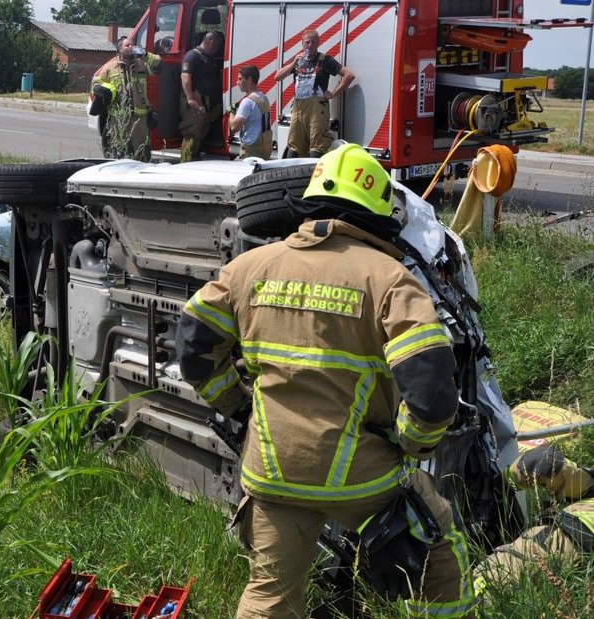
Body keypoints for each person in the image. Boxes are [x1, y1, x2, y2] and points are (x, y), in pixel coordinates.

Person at [175, 143, 476, 618]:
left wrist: (237, 405)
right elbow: (432, 389)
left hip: (273, 471)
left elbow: (192, 348)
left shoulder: (247, 269)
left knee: (268, 594)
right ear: (378, 211)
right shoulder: (391, 280)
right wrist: (412, 445)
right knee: (441, 554)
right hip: (363, 480)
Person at [475, 444, 594, 592]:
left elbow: (545, 461)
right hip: (561, 534)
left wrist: (500, 485)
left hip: (569, 538)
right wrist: (501, 485)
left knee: (483, 588)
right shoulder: (586, 483)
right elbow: (545, 462)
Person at [274, 28, 355, 158]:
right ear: (302, 43)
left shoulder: (325, 59)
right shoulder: (298, 61)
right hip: (298, 108)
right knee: (294, 145)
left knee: (317, 145)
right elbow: (277, 77)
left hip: (317, 110)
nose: (310, 45)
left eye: (313, 42)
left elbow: (349, 75)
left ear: (318, 43)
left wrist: (333, 94)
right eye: (307, 42)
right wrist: (294, 63)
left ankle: (315, 175)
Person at [90, 36, 161, 162]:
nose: (130, 47)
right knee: (117, 151)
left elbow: (158, 65)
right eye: (126, 45)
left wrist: (145, 53)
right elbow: (95, 84)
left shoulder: (142, 64)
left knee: (141, 152)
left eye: (132, 45)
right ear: (119, 49)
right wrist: (101, 90)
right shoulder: (109, 67)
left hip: (139, 119)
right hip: (118, 119)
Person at [179, 31, 223, 162]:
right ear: (211, 42)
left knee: (201, 133)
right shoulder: (193, 56)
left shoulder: (208, 58)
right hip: (196, 102)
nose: (218, 48)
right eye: (218, 45)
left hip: (206, 102)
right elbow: (185, 76)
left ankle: (195, 160)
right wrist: (190, 98)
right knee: (192, 134)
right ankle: (185, 165)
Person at [227, 65, 272, 160]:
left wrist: (231, 112)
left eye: (240, 79)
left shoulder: (247, 102)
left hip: (251, 150)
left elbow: (234, 128)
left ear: (249, 80)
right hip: (264, 148)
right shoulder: (264, 98)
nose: (237, 82)